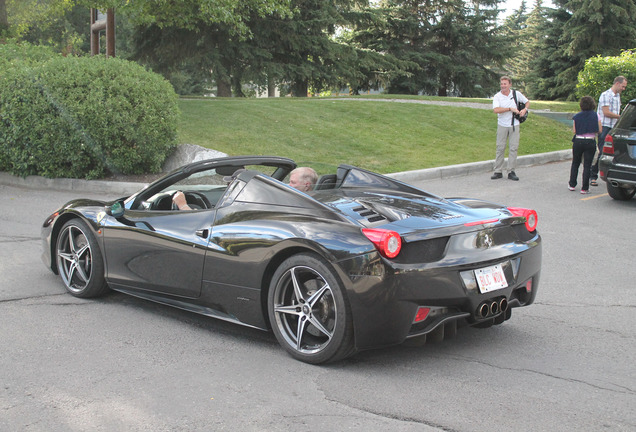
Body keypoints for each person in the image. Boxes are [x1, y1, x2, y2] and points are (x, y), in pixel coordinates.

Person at [590, 76, 628, 186]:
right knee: (602, 151)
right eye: (623, 86)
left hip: (613, 127)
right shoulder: (606, 95)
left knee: (613, 153)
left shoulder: (617, 96)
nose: (623, 89)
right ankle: (593, 175)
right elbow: (606, 112)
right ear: (617, 83)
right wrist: (621, 117)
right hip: (605, 126)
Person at [491, 76, 529, 181]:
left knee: (513, 148)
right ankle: (498, 171)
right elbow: (496, 110)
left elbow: (527, 102)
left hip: (514, 124)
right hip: (502, 125)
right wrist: (509, 109)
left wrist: (524, 110)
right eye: (502, 84)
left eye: (505, 84)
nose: (503, 86)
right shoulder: (497, 96)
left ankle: (511, 171)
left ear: (509, 85)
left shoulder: (516, 94)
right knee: (500, 147)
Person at [569, 96, 602, 194]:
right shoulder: (596, 116)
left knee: (575, 163)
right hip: (590, 141)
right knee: (587, 165)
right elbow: (600, 130)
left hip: (578, 140)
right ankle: (585, 188)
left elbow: (575, 130)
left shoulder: (577, 116)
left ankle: (572, 184)